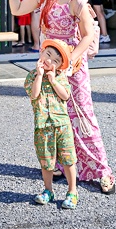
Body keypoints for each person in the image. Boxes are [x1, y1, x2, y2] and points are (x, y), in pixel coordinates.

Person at [4, 0, 116, 195]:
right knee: (53, 114)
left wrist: (71, 60)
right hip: (48, 63)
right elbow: (17, 8)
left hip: (73, 66)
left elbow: (87, 36)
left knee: (83, 116)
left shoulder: (78, 1)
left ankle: (102, 171)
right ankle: (59, 165)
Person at [24, 39, 78, 209]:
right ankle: (48, 190)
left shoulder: (61, 77)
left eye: (56, 61)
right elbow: (34, 95)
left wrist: (53, 80)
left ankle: (72, 191)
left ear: (60, 66)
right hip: (42, 125)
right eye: (48, 55)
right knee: (46, 161)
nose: (49, 61)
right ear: (41, 52)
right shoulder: (32, 75)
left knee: (68, 159)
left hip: (62, 123)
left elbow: (65, 96)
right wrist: (40, 75)